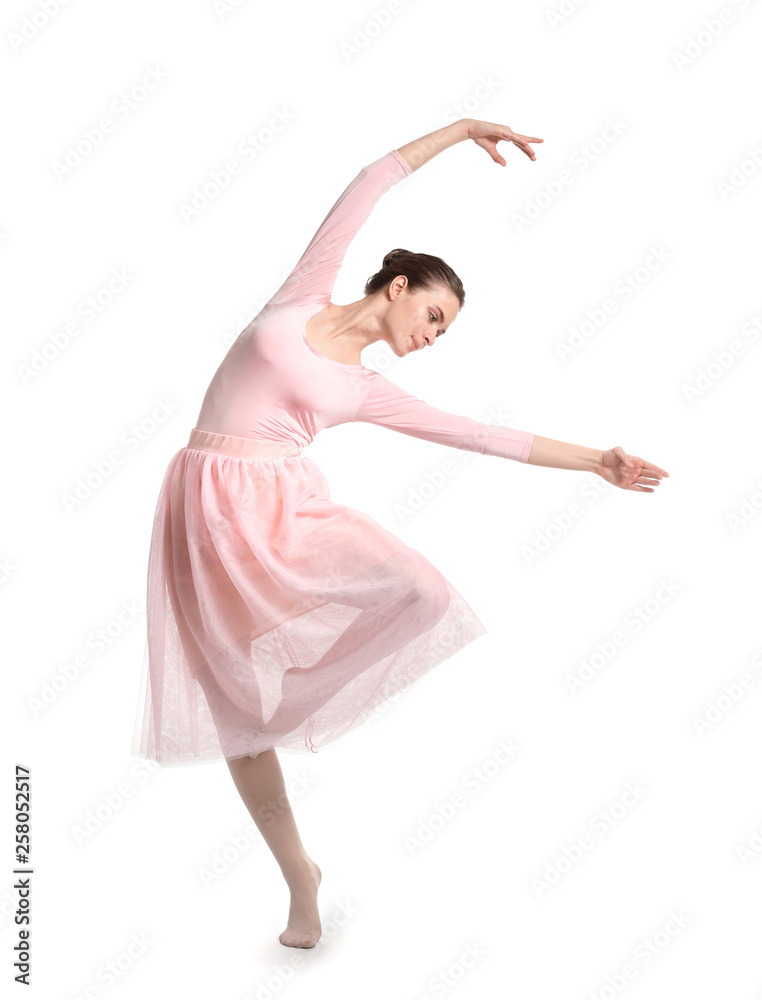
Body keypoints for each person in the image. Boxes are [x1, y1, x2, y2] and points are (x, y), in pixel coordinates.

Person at [130, 117, 669, 949]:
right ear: (398, 285)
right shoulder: (302, 293)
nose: (431, 337)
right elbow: (370, 180)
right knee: (240, 722)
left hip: (282, 515)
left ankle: (300, 692)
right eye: (434, 314)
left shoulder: (364, 391)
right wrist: (459, 131)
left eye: (443, 331)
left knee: (419, 591)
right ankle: (299, 876)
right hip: (200, 511)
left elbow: (480, 434)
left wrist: (596, 459)